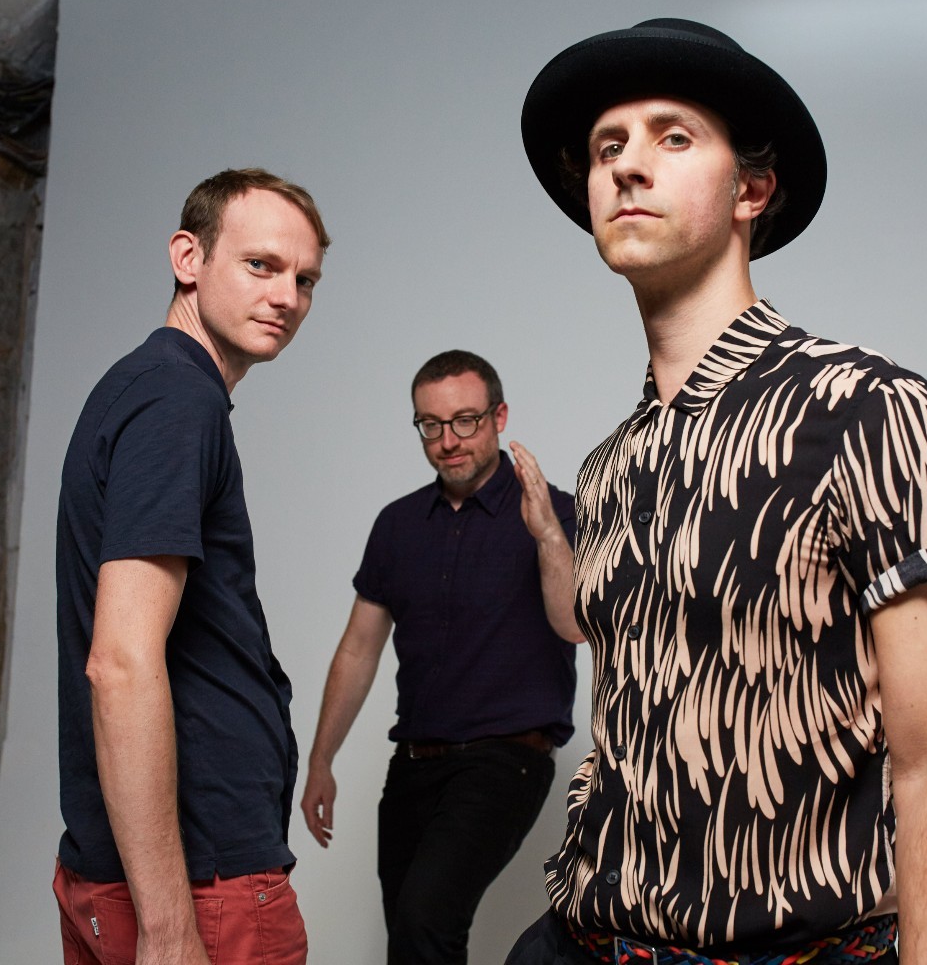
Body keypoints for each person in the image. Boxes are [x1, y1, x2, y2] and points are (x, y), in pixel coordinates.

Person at [507, 19, 927, 965]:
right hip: (583, 938)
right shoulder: (609, 467)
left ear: (752, 190)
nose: (627, 165)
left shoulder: (869, 410)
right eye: (608, 147)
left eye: (673, 137)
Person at [53, 168, 330, 965]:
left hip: (147, 874)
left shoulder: (149, 387)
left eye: (305, 280)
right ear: (188, 257)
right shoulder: (179, 400)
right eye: (261, 265)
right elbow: (120, 661)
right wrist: (170, 927)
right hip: (201, 888)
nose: (286, 297)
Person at [301, 348, 583, 965]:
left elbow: (575, 624)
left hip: (504, 761)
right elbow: (358, 648)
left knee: (425, 923)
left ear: (498, 417)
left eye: (465, 421)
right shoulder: (397, 525)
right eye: (431, 425)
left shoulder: (552, 511)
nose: (448, 441)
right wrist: (321, 759)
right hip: (413, 765)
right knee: (410, 942)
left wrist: (546, 534)